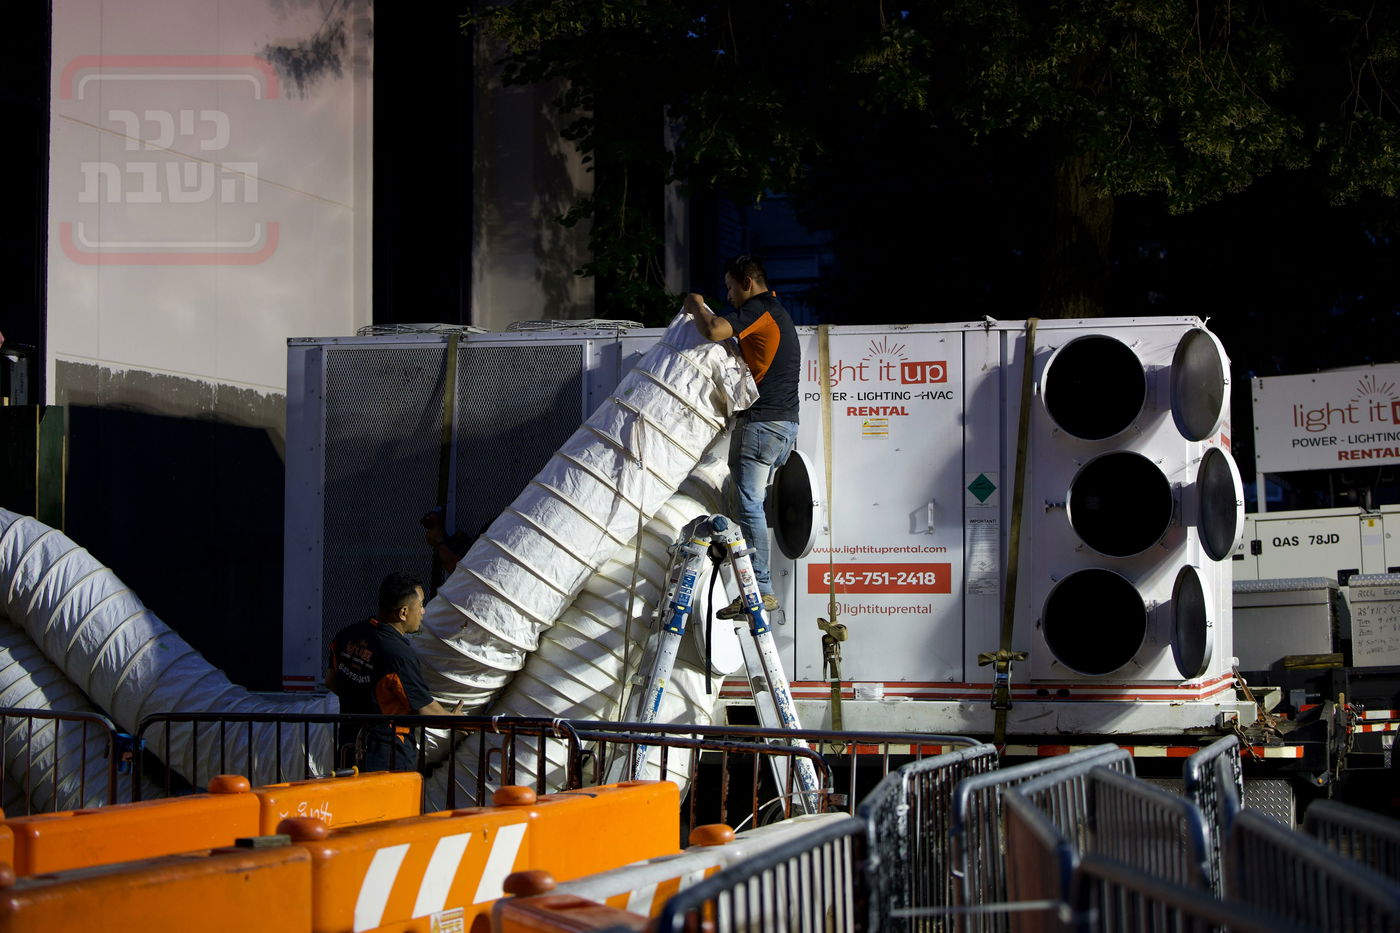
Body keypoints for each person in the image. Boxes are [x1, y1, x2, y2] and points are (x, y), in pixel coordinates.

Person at [683, 254, 801, 618]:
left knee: (748, 506)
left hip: (762, 424)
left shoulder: (759, 308)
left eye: (730, 287)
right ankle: (753, 586)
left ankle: (760, 590)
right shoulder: (775, 312)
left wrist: (695, 303)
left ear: (747, 282)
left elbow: (714, 330)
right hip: (783, 427)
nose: (729, 296)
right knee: (746, 506)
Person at [326, 571, 458, 771]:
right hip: (387, 754)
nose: (423, 612)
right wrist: (455, 719)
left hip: (348, 748)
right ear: (404, 612)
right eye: (421, 605)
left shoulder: (346, 636)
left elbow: (330, 681)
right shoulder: (398, 654)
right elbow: (425, 709)